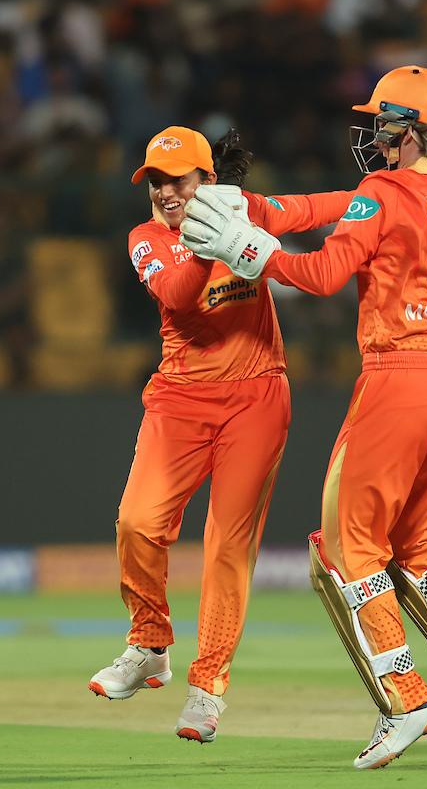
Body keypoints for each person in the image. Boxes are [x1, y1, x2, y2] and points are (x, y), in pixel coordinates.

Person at [180, 67, 427, 768]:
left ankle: (405, 696)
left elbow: (322, 275)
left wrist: (249, 252)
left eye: (382, 125)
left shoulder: (384, 190)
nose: (374, 138)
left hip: (398, 379)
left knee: (343, 551)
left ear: (407, 131)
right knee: (419, 545)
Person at [87, 126, 351, 743]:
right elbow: (179, 297)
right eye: (155, 181)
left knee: (227, 547)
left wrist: (392, 196)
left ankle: (207, 690)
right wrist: (216, 243)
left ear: (207, 177)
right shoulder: (146, 238)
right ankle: (150, 644)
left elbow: (321, 207)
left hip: (257, 394)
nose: (165, 192)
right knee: (137, 522)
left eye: (178, 179)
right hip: (179, 398)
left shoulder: (249, 208)